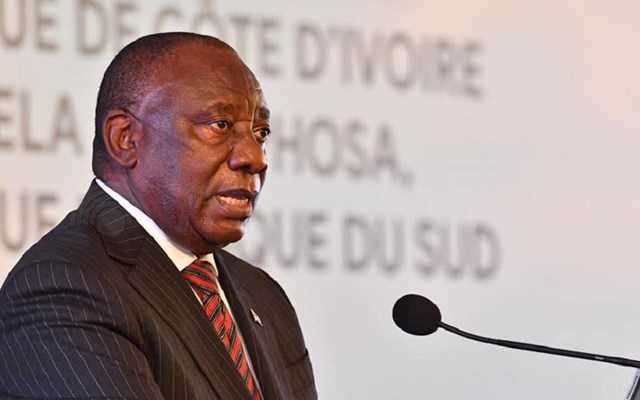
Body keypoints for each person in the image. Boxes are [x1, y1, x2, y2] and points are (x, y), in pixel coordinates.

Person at [0, 32, 317, 400]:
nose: (255, 157)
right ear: (125, 139)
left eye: (261, 133)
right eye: (220, 125)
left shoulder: (264, 296)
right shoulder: (64, 288)